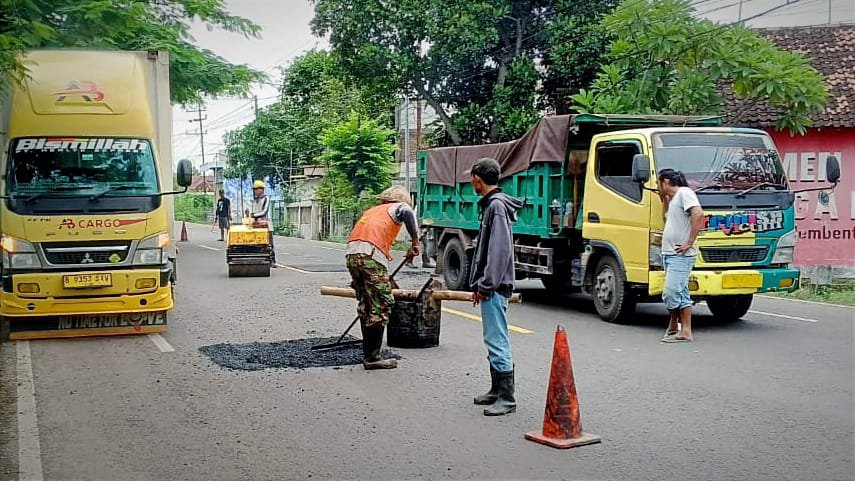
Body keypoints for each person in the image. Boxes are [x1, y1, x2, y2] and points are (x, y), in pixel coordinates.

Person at [345, 185, 421, 370]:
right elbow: (407, 211)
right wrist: (415, 241)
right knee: (382, 303)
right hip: (370, 255)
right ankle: (372, 357)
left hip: (352, 255)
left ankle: (368, 353)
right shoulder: (397, 207)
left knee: (366, 303)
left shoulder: (373, 210)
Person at [469, 158, 523, 416]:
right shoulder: (493, 205)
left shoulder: (497, 207)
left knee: (497, 338)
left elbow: (498, 251)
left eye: (472, 179)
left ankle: (506, 397)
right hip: (492, 285)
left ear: (478, 179)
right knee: (492, 338)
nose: (472, 183)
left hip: (496, 286)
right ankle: (496, 389)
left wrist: (486, 285)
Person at [657, 169, 704, 343]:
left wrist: (689, 242)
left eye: (658, 183)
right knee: (682, 293)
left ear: (666, 181)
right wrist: (664, 199)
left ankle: (674, 323)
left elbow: (698, 214)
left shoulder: (685, 192)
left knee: (670, 293)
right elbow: (666, 218)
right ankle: (684, 331)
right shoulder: (674, 199)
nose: (657, 187)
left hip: (681, 255)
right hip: (669, 254)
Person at [251, 180, 276, 267]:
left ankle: (272, 260)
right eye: (254, 189)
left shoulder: (266, 199)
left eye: (256, 189)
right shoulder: (256, 200)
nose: (255, 191)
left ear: (261, 189)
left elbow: (264, 212)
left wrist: (254, 216)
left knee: (269, 243)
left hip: (266, 224)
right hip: (257, 224)